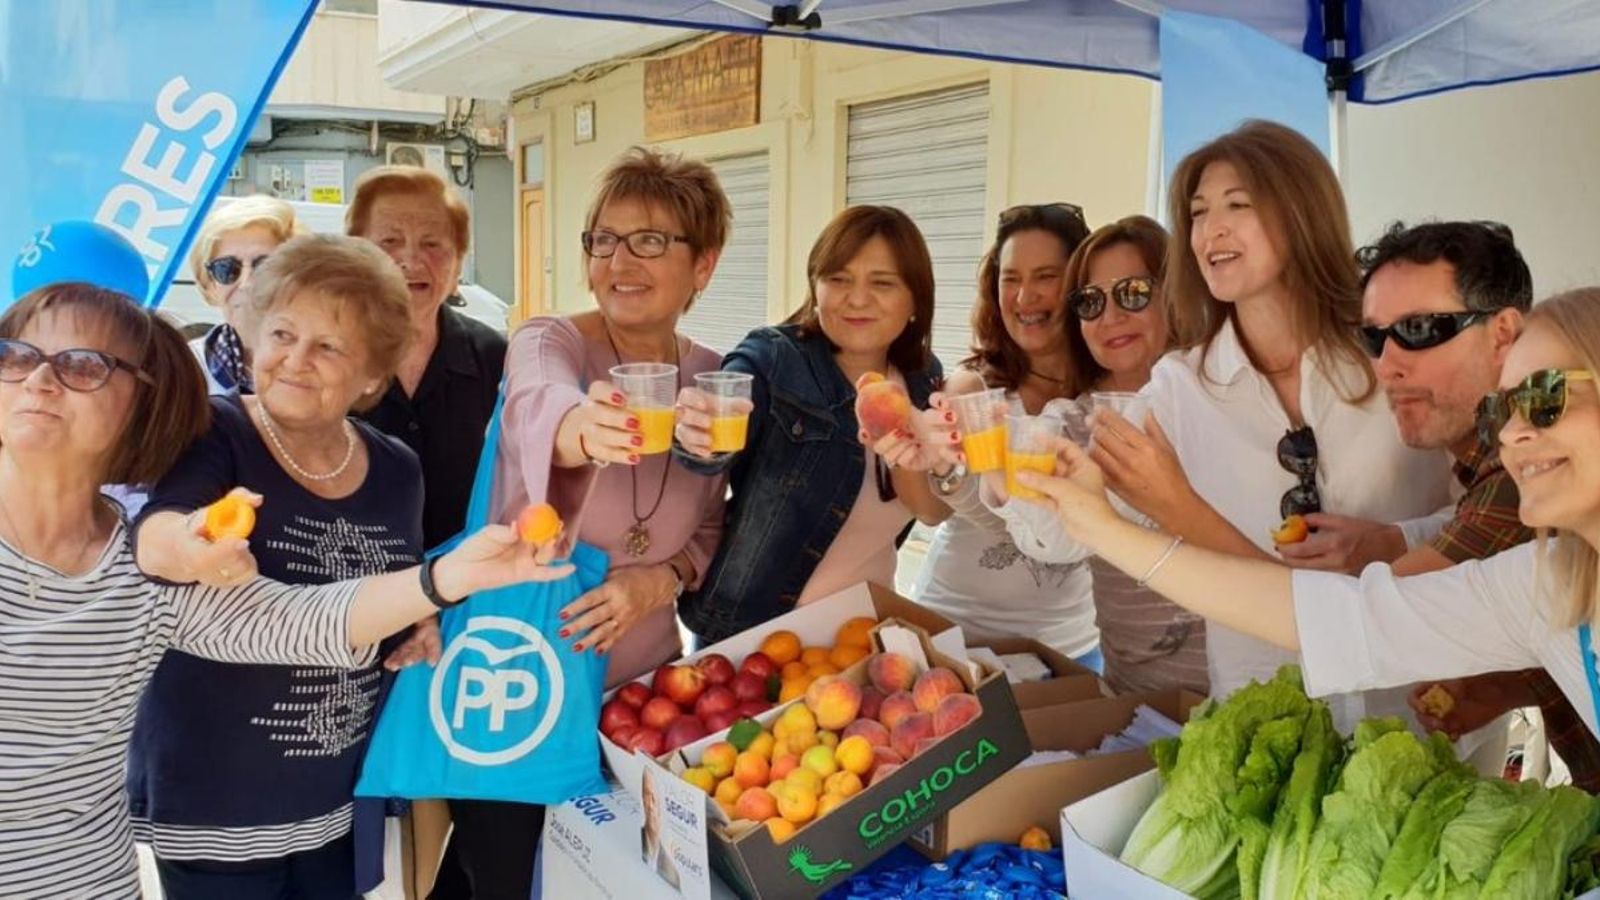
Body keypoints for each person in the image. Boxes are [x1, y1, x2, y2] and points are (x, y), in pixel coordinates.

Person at [0, 282, 566, 900]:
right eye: (15, 355)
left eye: (82, 364)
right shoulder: (166, 540)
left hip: (91, 882)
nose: (38, 380)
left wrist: (449, 577)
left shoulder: (136, 567)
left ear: (143, 399)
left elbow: (300, 622)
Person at [1021, 286, 1600, 745]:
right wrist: (1101, 525)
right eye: (1504, 406)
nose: (1514, 434)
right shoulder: (1549, 584)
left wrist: (1169, 508)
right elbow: (1332, 620)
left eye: (1546, 397)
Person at [1082, 121, 1452, 729]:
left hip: (1425, 710)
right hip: (1269, 718)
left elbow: (1494, 516)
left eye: (1238, 205)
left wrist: (1392, 542)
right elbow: (1066, 516)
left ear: (1302, 213)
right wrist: (968, 457)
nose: (1211, 230)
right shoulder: (1180, 387)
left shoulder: (1391, 355)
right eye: (1198, 213)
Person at [129, 235, 429, 897]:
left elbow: (389, 588)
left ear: (372, 376)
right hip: (215, 801)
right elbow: (156, 536)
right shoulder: (213, 428)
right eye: (283, 334)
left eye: (329, 347)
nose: (296, 361)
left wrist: (418, 625)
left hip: (335, 798)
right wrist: (192, 547)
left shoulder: (397, 469)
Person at [470, 147, 733, 898]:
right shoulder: (553, 339)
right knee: (503, 876)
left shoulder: (714, 375)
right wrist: (583, 426)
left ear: (703, 264)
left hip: (642, 693)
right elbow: (535, 400)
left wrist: (661, 581)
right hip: (523, 677)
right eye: (604, 240)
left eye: (651, 240)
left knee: (612, 880)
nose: (622, 260)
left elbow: (712, 529)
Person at [1277, 220, 1600, 788]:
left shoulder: (1515, 485)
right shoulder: (1497, 490)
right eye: (1375, 339)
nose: (1388, 365)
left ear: (1504, 333)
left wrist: (1166, 510)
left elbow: (1359, 621)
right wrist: (1508, 687)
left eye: (1421, 329)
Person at [675, 205, 955, 644]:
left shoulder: (922, 378)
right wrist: (703, 431)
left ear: (915, 301)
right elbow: (725, 415)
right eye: (838, 279)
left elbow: (930, 510)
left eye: (881, 283)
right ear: (816, 286)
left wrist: (913, 451)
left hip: (864, 637)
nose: (856, 299)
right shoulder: (775, 357)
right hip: (755, 644)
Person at [344, 165, 507, 896]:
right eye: (391, 241)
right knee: (368, 847)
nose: (414, 261)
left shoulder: (497, 360)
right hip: (354, 635)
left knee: (476, 837)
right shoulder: (331, 361)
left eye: (434, 244)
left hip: (477, 637)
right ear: (356, 248)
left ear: (460, 258)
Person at [985, 216, 1208, 694]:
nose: (1110, 318)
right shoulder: (1068, 421)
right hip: (1136, 690)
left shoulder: (1219, 399)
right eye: (1091, 302)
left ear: (1173, 294)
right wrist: (990, 464)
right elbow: (1055, 545)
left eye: (1132, 293)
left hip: (1237, 678)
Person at [906, 203, 1101, 667]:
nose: (1024, 296)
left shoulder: (1109, 398)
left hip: (1067, 647)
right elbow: (933, 512)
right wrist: (930, 460)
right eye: (1010, 278)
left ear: (1079, 287)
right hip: (953, 639)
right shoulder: (973, 388)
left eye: (1045, 276)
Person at [185, 195, 306, 393]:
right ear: (210, 286)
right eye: (227, 269)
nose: (246, 283)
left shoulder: (322, 367)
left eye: (265, 266)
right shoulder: (182, 372)